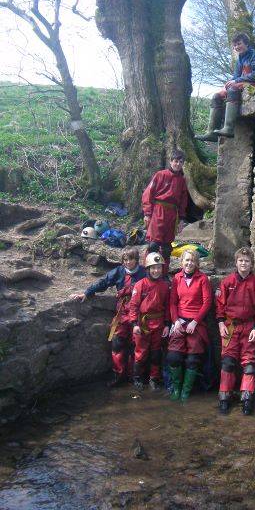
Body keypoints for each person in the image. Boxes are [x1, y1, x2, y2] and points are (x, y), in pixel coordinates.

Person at [71, 247, 146, 387]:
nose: (128, 262)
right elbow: (104, 282)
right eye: (125, 260)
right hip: (122, 313)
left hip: (139, 314)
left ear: (136, 260)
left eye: (131, 259)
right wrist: (87, 293)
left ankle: (135, 377)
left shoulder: (144, 273)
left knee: (135, 345)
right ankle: (118, 374)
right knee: (117, 343)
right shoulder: (118, 272)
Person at [216, 246, 255, 415]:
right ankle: (224, 397)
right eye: (240, 261)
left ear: (251, 264)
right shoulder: (227, 282)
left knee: (249, 366)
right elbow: (220, 306)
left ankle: (247, 398)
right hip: (230, 326)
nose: (243, 263)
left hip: (249, 327)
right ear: (236, 262)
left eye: (247, 261)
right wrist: (221, 323)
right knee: (228, 363)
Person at [196, 33, 255, 141]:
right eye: (234, 45)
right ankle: (211, 132)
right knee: (217, 95)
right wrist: (226, 86)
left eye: (239, 44)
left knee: (233, 89)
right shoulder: (240, 59)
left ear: (246, 44)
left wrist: (236, 81)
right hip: (244, 83)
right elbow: (236, 77)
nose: (236, 47)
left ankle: (229, 128)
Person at [166, 249, 213, 401]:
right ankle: (176, 389)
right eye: (186, 260)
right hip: (179, 321)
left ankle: (186, 392)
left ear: (197, 263)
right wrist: (175, 321)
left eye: (192, 260)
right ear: (182, 262)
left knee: (192, 360)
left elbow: (207, 303)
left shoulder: (203, 279)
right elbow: (173, 303)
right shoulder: (177, 278)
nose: (189, 263)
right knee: (173, 357)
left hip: (195, 324)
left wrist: (195, 321)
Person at [142, 150, 189, 274]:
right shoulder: (160, 175)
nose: (178, 164)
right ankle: (147, 271)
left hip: (172, 214)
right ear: (171, 161)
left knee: (167, 247)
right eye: (175, 161)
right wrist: (147, 213)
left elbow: (183, 200)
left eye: (180, 162)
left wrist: (181, 219)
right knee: (153, 245)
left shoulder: (182, 180)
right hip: (158, 211)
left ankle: (163, 273)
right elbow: (148, 193)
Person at [129, 252, 171, 391]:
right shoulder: (140, 285)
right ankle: (137, 378)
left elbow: (167, 307)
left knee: (155, 353)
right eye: (153, 268)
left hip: (158, 324)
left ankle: (154, 378)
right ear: (147, 269)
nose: (156, 271)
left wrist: (166, 324)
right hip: (143, 324)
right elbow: (134, 305)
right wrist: (134, 324)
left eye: (158, 268)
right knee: (140, 353)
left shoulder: (165, 286)